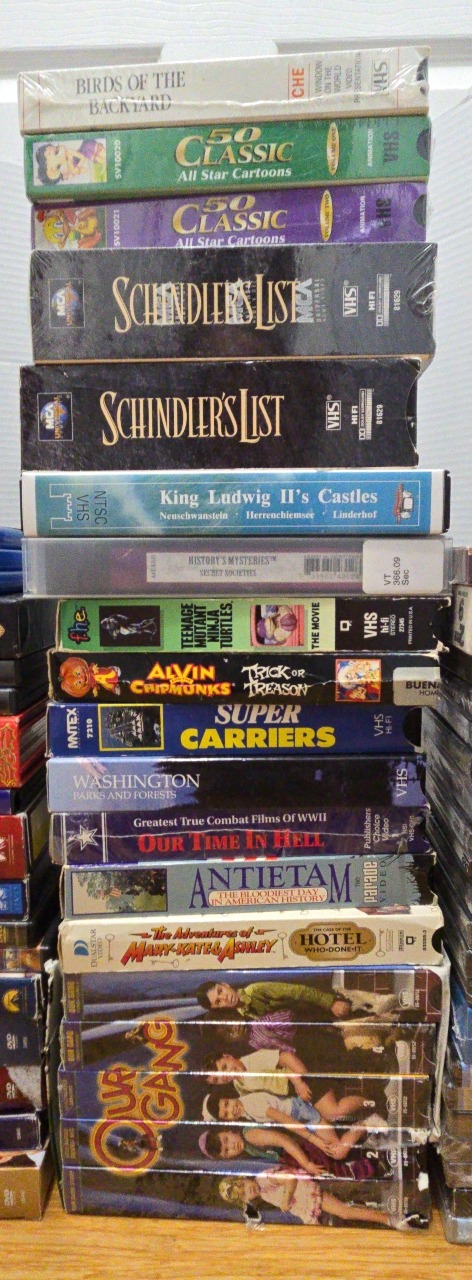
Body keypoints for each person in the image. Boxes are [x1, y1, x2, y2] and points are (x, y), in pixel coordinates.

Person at [203, 1084, 378, 1162]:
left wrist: (315, 1140)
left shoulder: (253, 1105)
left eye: (227, 1104)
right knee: (337, 1151)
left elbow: (286, 1121)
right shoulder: (247, 1113)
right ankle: (368, 1119)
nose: (231, 1110)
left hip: (302, 1113)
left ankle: (370, 1105)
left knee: (337, 1150)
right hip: (301, 1117)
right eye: (226, 1114)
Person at [218, 1170, 428, 1230]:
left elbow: (290, 1178)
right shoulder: (263, 1194)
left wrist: (286, 1198)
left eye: (243, 1186)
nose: (248, 1191)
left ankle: (389, 1219)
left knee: (345, 1211)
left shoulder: (263, 1179)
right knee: (348, 1209)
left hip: (311, 1192)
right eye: (244, 1194)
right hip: (308, 1205)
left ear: (243, 1178)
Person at [34, 139, 107, 186]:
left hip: (87, 147)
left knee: (92, 151)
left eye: (57, 152)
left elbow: (83, 157)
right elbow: (85, 170)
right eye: (59, 167)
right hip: (88, 155)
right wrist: (75, 172)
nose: (61, 159)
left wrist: (77, 168)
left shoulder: (69, 153)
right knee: (94, 157)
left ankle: (106, 160)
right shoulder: (69, 171)